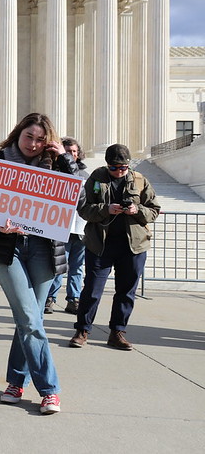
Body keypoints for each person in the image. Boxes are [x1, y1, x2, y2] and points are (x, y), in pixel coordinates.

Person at [0, 112, 68, 415]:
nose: (33, 144)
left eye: (40, 139)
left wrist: (65, 159)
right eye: (29, 137)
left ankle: (14, 382)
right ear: (17, 134)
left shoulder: (57, 166)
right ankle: (50, 390)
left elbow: (80, 199)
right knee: (28, 315)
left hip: (44, 250)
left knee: (30, 320)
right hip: (7, 249)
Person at [69, 144, 160, 351]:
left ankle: (117, 332)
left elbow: (154, 210)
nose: (119, 171)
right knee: (92, 289)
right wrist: (106, 209)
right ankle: (82, 330)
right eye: (114, 167)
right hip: (100, 244)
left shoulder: (139, 180)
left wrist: (136, 210)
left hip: (133, 246)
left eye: (123, 168)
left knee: (126, 291)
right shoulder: (97, 178)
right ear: (107, 165)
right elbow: (83, 209)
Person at [45, 137, 89, 315]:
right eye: (68, 151)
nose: (71, 155)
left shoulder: (86, 176)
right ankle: (50, 298)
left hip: (80, 228)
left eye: (74, 152)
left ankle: (74, 299)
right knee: (59, 266)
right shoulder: (54, 171)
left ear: (78, 155)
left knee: (77, 267)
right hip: (61, 227)